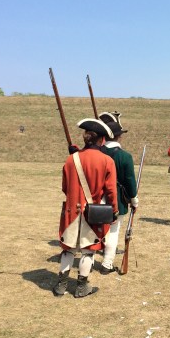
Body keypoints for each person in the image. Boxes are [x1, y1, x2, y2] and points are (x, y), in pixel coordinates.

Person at [54, 118, 118, 298]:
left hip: (71, 211)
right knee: (89, 250)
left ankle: (61, 286)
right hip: (93, 212)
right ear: (102, 140)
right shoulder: (107, 161)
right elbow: (111, 190)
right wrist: (113, 210)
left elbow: (65, 188)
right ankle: (81, 287)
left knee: (68, 249)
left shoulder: (70, 159)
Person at [97, 112, 139, 275]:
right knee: (113, 232)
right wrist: (134, 199)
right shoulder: (125, 156)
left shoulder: (96, 152)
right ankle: (107, 264)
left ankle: (90, 258)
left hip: (96, 198)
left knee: (96, 230)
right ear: (119, 137)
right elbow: (129, 180)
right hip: (117, 201)